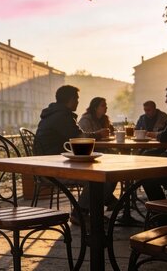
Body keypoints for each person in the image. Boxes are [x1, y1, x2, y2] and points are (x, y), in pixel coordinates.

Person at [33, 86, 110, 226]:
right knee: (97, 177)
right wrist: (99, 134)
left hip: (52, 163)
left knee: (104, 176)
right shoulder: (61, 116)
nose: (78, 102)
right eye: (77, 99)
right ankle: (80, 213)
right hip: (51, 169)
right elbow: (80, 137)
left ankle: (99, 209)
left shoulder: (56, 114)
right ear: (71, 99)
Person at [77, 97, 119, 218]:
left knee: (115, 170)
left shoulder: (104, 119)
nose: (106, 107)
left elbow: (112, 133)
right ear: (95, 107)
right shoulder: (86, 120)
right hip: (89, 155)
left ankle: (107, 200)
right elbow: (83, 138)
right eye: (103, 105)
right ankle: (108, 200)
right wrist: (100, 134)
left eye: (106, 105)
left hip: (101, 154)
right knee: (104, 175)